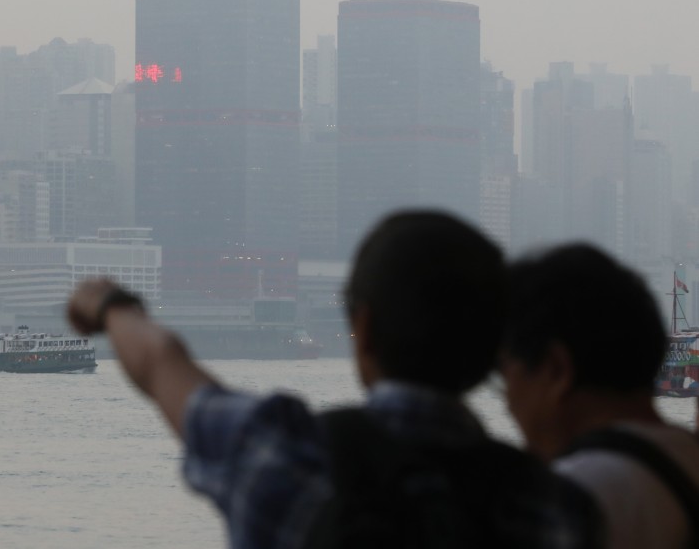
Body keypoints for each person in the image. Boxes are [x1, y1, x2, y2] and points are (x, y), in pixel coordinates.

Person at [67, 210, 601, 549]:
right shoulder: (559, 508)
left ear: (362, 328)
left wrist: (111, 305)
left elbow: (161, 362)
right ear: (494, 350)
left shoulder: (282, 455)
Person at [501, 244, 699, 549]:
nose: (508, 403)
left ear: (556, 370)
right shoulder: (687, 456)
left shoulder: (571, 494)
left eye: (505, 379)